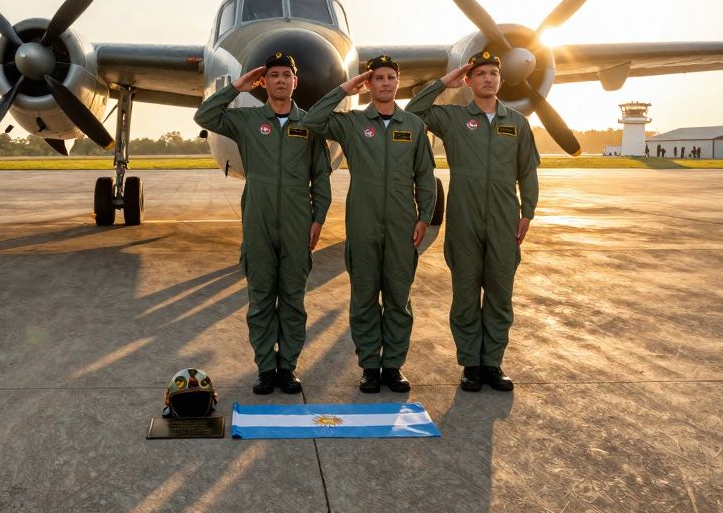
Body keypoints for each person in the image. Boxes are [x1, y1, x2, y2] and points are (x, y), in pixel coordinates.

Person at [193, 53, 333, 394]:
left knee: (293, 300)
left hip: (298, 223)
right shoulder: (247, 121)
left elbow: (321, 176)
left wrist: (318, 218)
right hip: (258, 222)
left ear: (295, 82)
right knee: (260, 300)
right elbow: (205, 115)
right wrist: (238, 86)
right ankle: (266, 369)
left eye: (287, 75)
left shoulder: (310, 124)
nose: (281, 80)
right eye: (274, 75)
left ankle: (287, 368)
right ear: (264, 82)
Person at [405, 50, 539, 392]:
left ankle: (492, 363)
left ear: (500, 79)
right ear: (468, 80)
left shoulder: (517, 123)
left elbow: (527, 171)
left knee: (499, 294)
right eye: (480, 74)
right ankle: (471, 364)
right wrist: (443, 82)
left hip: (504, 219)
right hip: (464, 218)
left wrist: (528, 211)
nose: (488, 78)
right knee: (465, 294)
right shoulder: (453, 118)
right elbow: (413, 112)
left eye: (493, 73)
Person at [302, 54, 436, 393]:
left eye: (391, 77)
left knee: (398, 298)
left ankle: (393, 366)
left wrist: (424, 217)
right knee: (363, 298)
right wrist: (346, 88)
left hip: (402, 225)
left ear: (397, 82)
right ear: (369, 84)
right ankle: (370, 367)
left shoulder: (413, 126)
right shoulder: (352, 123)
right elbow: (313, 120)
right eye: (378, 78)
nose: (386, 83)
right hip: (363, 224)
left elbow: (425, 175)